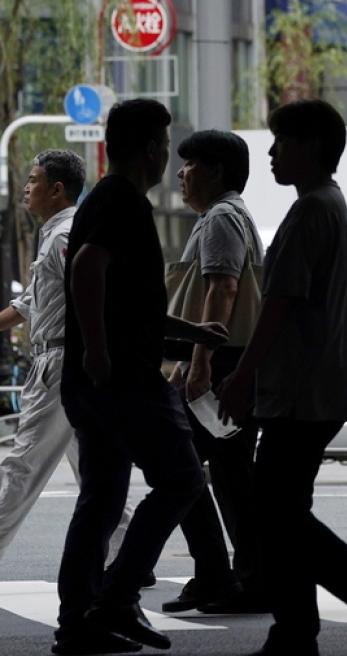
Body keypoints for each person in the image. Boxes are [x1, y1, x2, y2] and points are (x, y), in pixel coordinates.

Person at [217, 99, 347, 656]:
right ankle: (296, 631)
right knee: (280, 512)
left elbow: (278, 305)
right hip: (315, 389)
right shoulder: (328, 206)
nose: (272, 154)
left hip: (299, 391)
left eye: (282, 144)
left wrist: (242, 375)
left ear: (311, 149)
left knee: (272, 510)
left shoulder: (310, 212)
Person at [56, 99, 228, 655]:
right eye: (165, 146)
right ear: (152, 148)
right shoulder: (121, 200)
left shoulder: (109, 199)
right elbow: (87, 269)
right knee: (181, 479)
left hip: (98, 381)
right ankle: (115, 599)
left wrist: (192, 332)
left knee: (102, 500)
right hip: (122, 380)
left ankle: (80, 620)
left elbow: (133, 306)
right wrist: (100, 353)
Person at [0, 150, 136, 567]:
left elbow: (90, 295)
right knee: (93, 472)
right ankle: (130, 555)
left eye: (34, 179)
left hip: (60, 364)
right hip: (68, 364)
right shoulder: (56, 234)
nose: (26, 187)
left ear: (57, 189)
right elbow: (30, 303)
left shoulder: (63, 236)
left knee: (22, 466)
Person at [162, 129, 267, 615]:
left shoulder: (223, 217)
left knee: (179, 467)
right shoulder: (223, 217)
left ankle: (219, 576)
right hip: (223, 360)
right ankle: (244, 578)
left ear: (217, 171)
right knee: (230, 475)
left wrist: (198, 364)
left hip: (219, 361)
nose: (180, 174)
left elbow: (222, 288)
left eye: (190, 164)